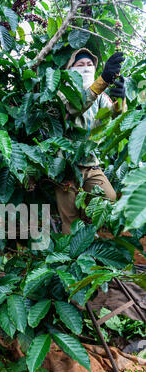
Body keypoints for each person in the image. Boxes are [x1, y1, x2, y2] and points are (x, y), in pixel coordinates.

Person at [55, 48, 127, 234]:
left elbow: (113, 114)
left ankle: (87, 229)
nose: (86, 68)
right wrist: (102, 81)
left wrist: (121, 99)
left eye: (90, 65)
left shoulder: (100, 97)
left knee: (108, 197)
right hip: (66, 165)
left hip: (90, 163)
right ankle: (71, 257)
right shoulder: (64, 90)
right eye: (81, 65)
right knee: (69, 219)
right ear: (71, 69)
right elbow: (74, 107)